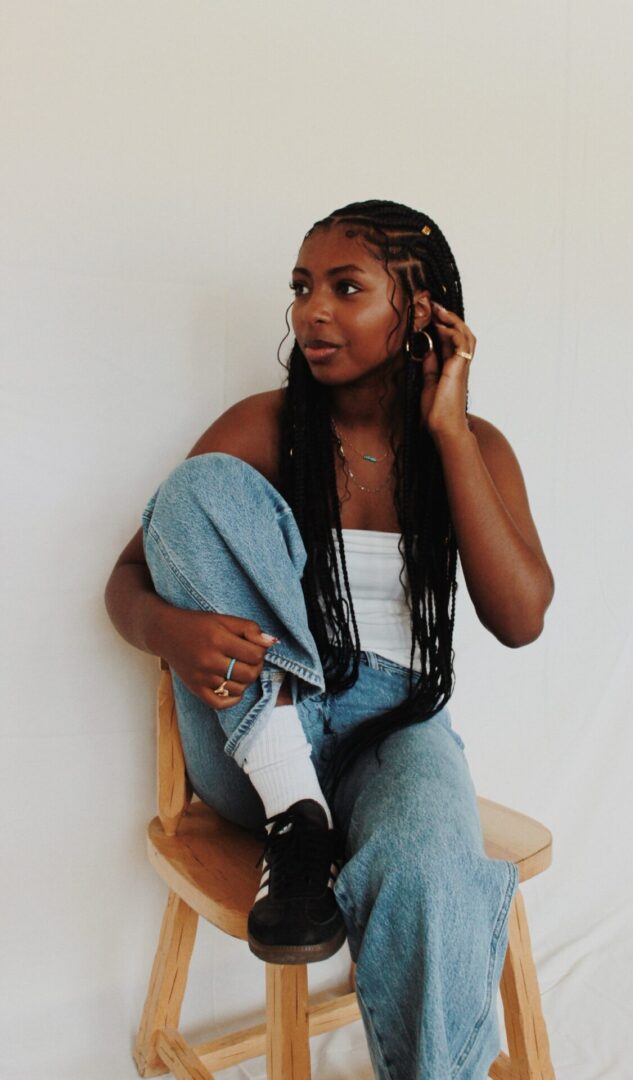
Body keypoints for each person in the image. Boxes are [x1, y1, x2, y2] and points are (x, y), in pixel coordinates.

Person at [105, 198, 554, 1079]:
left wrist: (450, 431)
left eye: (346, 288)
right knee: (200, 490)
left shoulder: (474, 447)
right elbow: (127, 577)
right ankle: (296, 817)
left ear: (421, 312)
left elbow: (521, 618)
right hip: (260, 724)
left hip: (398, 730)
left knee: (429, 870)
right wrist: (170, 629)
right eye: (302, 287)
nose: (312, 310)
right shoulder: (263, 429)